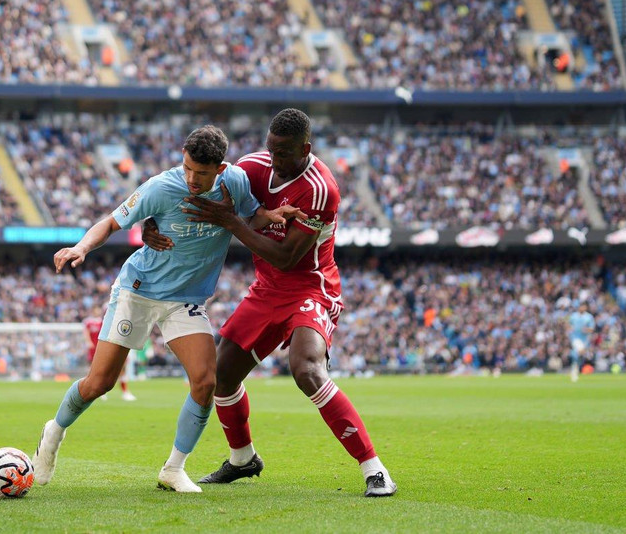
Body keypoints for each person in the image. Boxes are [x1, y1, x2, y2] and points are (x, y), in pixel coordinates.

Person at [31, 125, 293, 494]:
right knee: (99, 383)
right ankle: (54, 431)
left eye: (201, 173)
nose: (192, 179)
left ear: (220, 169)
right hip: (139, 291)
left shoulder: (235, 182)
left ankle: (173, 469)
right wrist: (81, 248)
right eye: (187, 168)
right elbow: (111, 222)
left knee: (206, 381)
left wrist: (274, 214)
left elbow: (252, 216)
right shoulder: (161, 187)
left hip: (185, 300)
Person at [165, 107, 396, 498]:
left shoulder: (320, 189)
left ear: (305, 148)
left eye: (284, 153)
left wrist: (233, 222)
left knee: (306, 369)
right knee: (221, 376)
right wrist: (152, 222)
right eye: (271, 150)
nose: (275, 160)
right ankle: (243, 459)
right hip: (266, 289)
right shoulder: (251, 168)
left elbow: (287, 257)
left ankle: (375, 469)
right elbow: (197, 193)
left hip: (310, 287)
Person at [84, 314, 136, 401]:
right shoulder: (103, 322)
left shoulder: (123, 320)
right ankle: (98, 392)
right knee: (100, 371)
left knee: (122, 370)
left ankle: (125, 392)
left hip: (120, 347)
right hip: (108, 348)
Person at [568, 302, 595, 383]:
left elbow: (592, 329)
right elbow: (568, 325)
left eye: (584, 307)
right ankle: (574, 369)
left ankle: (575, 367)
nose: (582, 308)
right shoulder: (573, 316)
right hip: (575, 337)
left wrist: (586, 330)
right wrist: (570, 329)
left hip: (585, 339)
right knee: (579, 350)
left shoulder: (589, 317)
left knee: (579, 353)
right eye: (581, 306)